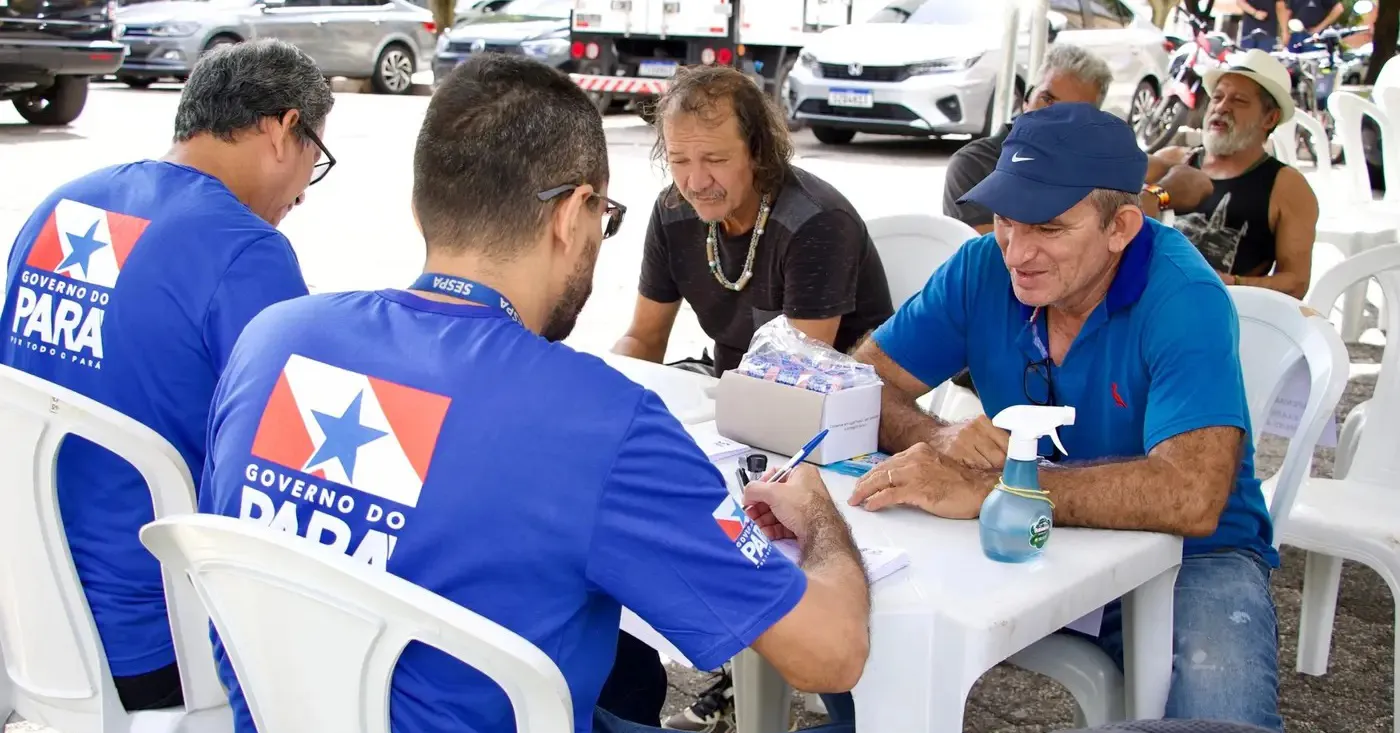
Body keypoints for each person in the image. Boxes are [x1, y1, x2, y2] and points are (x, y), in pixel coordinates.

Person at [198, 54, 870, 733]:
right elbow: (831, 654)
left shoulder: (272, 340)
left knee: (624, 668)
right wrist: (818, 514)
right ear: (573, 214)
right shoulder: (600, 421)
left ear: (422, 205)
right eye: (602, 218)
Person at [849, 103, 1283, 732]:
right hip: (1014, 534)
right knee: (856, 617)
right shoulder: (981, 267)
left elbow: (1191, 496)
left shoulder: (1184, 296)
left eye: (1049, 228)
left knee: (1222, 718)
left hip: (1195, 555)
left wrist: (999, 488)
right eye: (1004, 219)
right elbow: (866, 380)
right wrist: (937, 435)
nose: (1017, 251)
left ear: (1122, 227)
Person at [0, 38, 329, 711]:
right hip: (160, 642)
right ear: (282, 128)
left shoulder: (60, 208)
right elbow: (298, 475)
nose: (302, 195)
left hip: (28, 618)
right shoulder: (247, 254)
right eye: (313, 164)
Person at [612, 65, 894, 379]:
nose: (696, 182)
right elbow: (643, 338)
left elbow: (798, 377)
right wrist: (602, 386)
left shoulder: (816, 223)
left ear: (758, 152)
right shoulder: (673, 212)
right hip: (734, 389)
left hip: (823, 403)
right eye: (679, 160)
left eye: (716, 160)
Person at [944, 44, 1216, 236]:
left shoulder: (1095, 160)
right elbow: (996, 256)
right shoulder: (975, 164)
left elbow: (1197, 182)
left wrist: (1155, 197)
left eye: (1072, 113)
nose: (1053, 117)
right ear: (1027, 98)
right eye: (1047, 99)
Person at [1161, 49, 1319, 300]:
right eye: (1218, 97)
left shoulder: (1287, 186)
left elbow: (1296, 282)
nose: (1222, 107)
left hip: (1218, 317)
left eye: (1239, 101)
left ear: (1270, 118)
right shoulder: (1174, 159)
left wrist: (1233, 283)